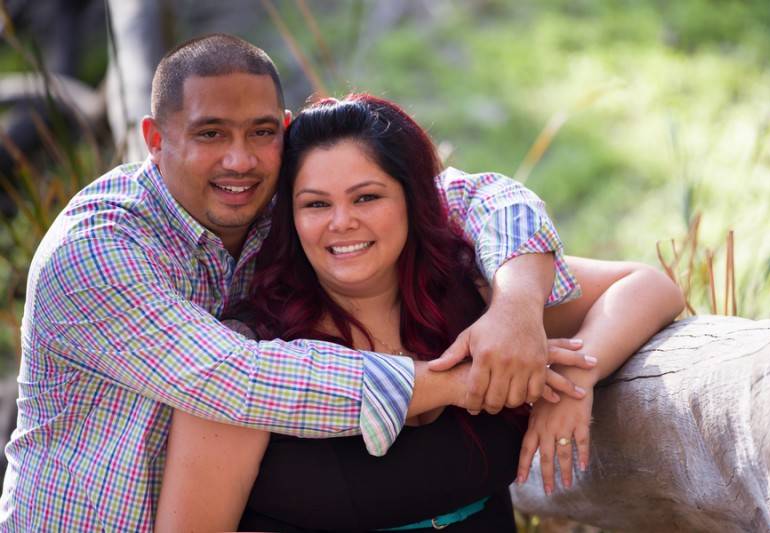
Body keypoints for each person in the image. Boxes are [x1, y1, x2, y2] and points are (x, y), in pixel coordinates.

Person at [0, 34, 588, 531]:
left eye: (259, 132)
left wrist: (516, 309)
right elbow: (236, 379)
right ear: (156, 139)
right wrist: (462, 382)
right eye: (210, 134)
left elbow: (482, 196)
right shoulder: (97, 250)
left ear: (282, 130)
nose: (240, 159)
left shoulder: (276, 196)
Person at [155, 94, 684, 531]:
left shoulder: (477, 299)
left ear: (413, 201)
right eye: (316, 204)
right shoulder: (248, 355)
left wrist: (573, 375)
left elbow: (648, 285)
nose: (341, 222)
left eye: (366, 198)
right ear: (290, 219)